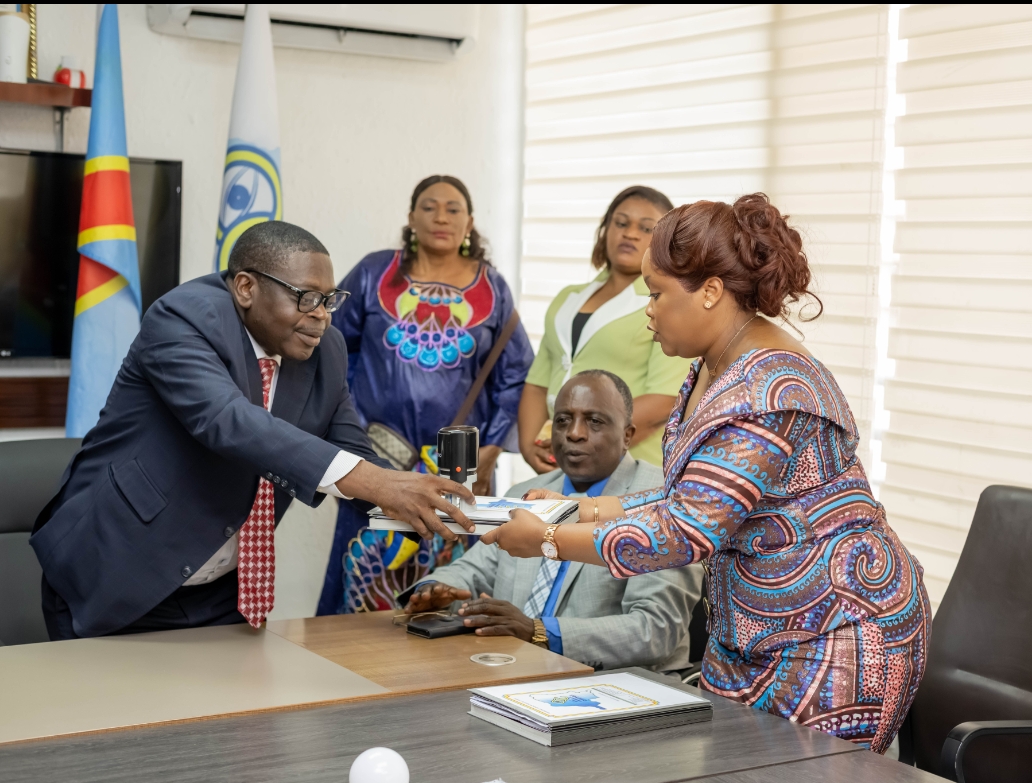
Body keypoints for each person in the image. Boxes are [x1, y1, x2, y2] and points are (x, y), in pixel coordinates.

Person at [483, 194, 932, 754]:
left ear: (711, 291)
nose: (648, 310)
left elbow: (685, 532)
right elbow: (689, 497)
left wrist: (548, 540)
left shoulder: (769, 390)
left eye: (656, 293)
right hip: (750, 631)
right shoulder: (711, 366)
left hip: (834, 631)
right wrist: (576, 508)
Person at [32, 221, 477, 640]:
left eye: (329, 300)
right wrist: (381, 483)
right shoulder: (182, 318)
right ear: (246, 287)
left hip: (223, 592)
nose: (322, 316)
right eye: (307, 298)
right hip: (116, 566)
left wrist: (439, 508)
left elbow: (352, 453)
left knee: (232, 702)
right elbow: (229, 422)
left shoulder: (326, 350)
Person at [318, 175, 532, 615]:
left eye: (453, 209)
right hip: (378, 458)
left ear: (469, 222)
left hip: (457, 466)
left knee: (450, 585)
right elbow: (332, 347)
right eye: (429, 207)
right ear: (411, 217)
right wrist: (350, 428)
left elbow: (514, 375)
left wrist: (491, 450)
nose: (441, 217)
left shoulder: (492, 287)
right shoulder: (374, 272)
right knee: (363, 579)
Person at [402, 370, 702, 672]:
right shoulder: (525, 495)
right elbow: (473, 570)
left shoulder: (662, 499)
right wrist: (436, 591)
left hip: (616, 685)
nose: (574, 433)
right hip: (513, 671)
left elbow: (655, 629)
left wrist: (538, 631)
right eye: (562, 420)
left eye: (594, 421)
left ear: (627, 435)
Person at [519, 186, 691, 473]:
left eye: (646, 228)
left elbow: (663, 399)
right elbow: (537, 385)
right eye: (621, 223)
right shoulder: (567, 298)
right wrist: (529, 446)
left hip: (629, 467)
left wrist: (579, 441)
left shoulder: (668, 305)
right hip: (561, 460)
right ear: (605, 229)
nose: (630, 233)